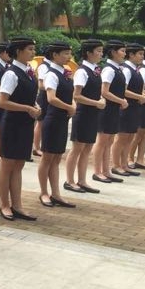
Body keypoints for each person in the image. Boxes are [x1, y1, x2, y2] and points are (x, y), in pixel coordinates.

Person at [0, 36, 40, 221]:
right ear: (18, 51)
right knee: (7, 164)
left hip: (26, 124)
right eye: (29, 49)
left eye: (33, 49)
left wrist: (35, 105)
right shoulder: (11, 73)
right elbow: (2, 102)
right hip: (12, 124)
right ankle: (4, 205)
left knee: (19, 165)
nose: (33, 52)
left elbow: (28, 97)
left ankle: (17, 205)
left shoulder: (29, 71)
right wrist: (27, 108)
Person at [36, 42, 76, 208]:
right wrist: (69, 107)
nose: (69, 57)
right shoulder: (51, 74)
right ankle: (44, 192)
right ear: (55, 55)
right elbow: (51, 98)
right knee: (47, 158)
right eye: (65, 53)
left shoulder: (65, 73)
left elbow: (70, 94)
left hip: (63, 120)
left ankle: (56, 193)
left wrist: (72, 105)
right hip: (52, 119)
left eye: (69, 53)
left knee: (57, 158)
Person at [64, 39, 106, 194]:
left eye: (102, 51)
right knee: (77, 148)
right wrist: (96, 102)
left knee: (87, 148)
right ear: (88, 53)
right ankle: (69, 181)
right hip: (83, 114)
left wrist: (100, 100)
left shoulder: (96, 70)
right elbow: (76, 96)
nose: (101, 54)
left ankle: (82, 180)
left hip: (93, 113)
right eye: (98, 51)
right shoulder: (82, 71)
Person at [91, 40, 128, 184]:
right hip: (106, 109)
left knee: (110, 141)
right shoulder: (109, 69)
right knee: (102, 141)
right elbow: (104, 91)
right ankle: (97, 171)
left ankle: (106, 171)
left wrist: (120, 101)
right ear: (113, 52)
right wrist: (121, 101)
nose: (124, 54)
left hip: (114, 109)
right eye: (122, 51)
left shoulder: (117, 69)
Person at [111, 43, 145, 177]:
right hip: (126, 107)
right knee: (121, 137)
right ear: (131, 55)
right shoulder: (126, 70)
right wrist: (139, 96)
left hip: (135, 108)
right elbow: (123, 90)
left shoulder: (135, 69)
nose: (142, 57)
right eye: (140, 54)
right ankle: (116, 165)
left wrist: (141, 95)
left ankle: (124, 164)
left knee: (130, 137)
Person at [32, 49, 51, 158]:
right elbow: (41, 85)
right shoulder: (44, 66)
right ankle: (36, 147)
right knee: (40, 123)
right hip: (44, 97)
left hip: (49, 96)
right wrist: (53, 88)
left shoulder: (52, 66)